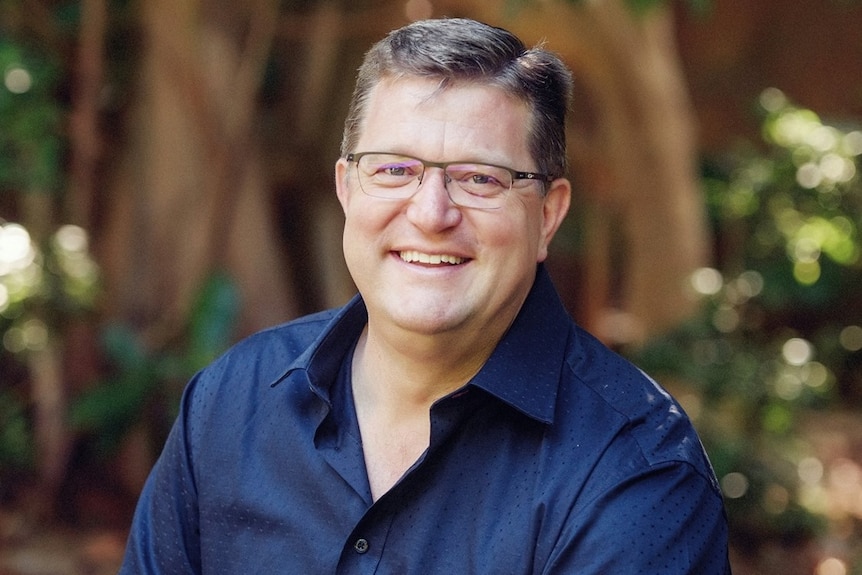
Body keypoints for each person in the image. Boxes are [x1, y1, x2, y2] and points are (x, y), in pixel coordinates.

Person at [119, 17, 731, 574]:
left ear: (548, 214)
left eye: (478, 178)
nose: (431, 213)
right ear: (347, 189)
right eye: (393, 170)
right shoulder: (232, 404)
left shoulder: (636, 473)